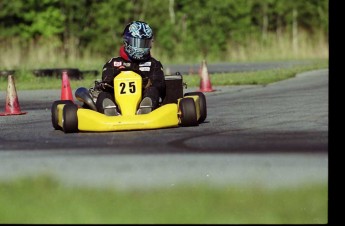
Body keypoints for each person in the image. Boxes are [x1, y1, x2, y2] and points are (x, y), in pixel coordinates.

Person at [97, 20, 166, 116]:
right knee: (103, 95)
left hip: (143, 98)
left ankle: (145, 108)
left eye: (144, 44)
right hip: (117, 102)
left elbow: (160, 86)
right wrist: (109, 83)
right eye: (137, 43)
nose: (141, 47)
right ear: (127, 41)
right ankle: (111, 111)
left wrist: (147, 83)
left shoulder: (154, 64)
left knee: (153, 91)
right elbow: (105, 81)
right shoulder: (113, 63)